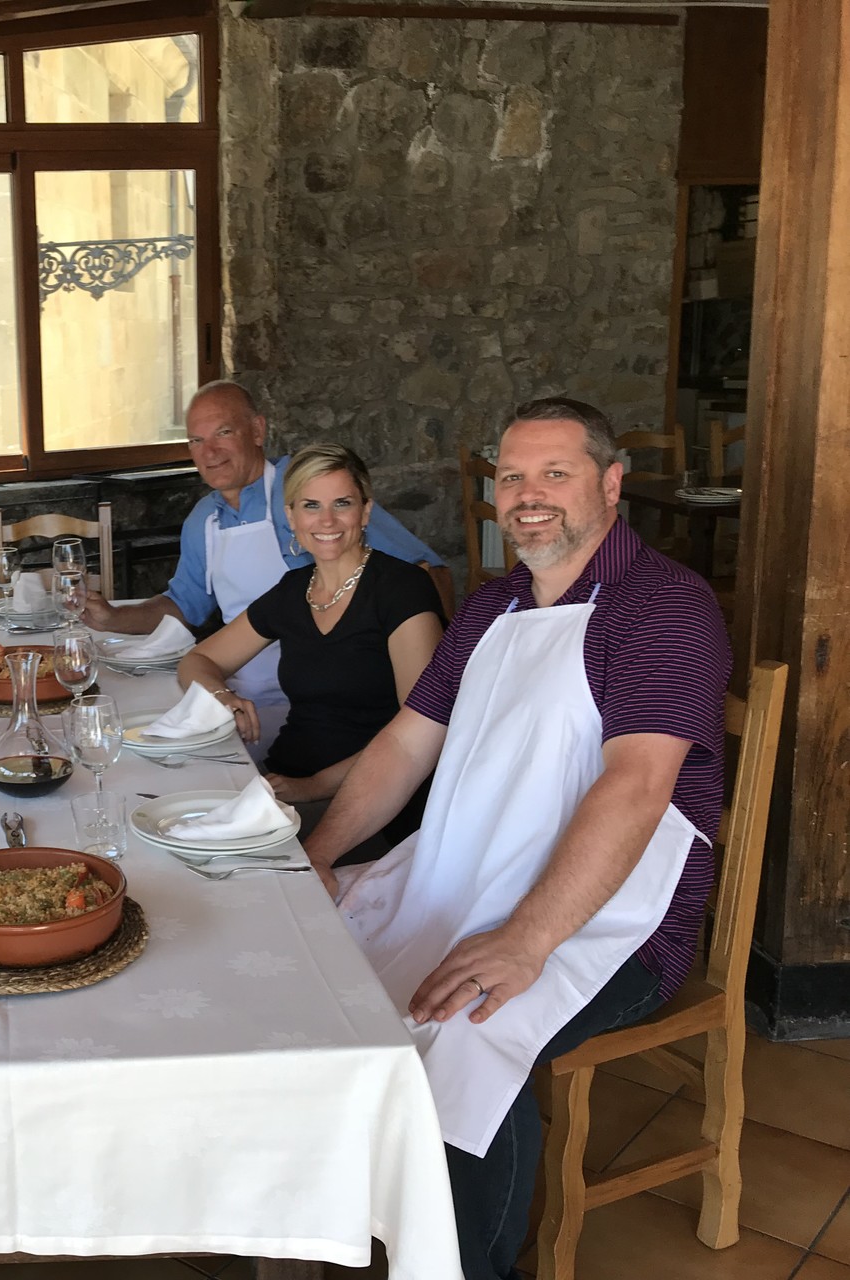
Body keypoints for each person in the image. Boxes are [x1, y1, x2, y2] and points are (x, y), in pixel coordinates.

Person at [301, 399, 732, 1280]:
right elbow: (406, 742)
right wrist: (315, 857)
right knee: (316, 966)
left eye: (554, 474)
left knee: (468, 1028)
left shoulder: (662, 607)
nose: (527, 496)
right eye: (510, 477)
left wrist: (526, 941)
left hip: (616, 923)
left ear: (610, 484)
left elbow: (637, 786)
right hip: (465, 872)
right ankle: (346, 1219)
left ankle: (461, 1267)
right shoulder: (493, 603)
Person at [82, 380, 443, 755]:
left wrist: (436, 673)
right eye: (196, 440)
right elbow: (185, 606)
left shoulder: (309, 488)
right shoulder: (206, 520)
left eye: (223, 432)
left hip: (323, 705)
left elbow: (426, 576)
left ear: (257, 430)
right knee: (143, 746)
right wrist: (113, 618)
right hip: (242, 695)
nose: (210, 452)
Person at [177, 443, 445, 849]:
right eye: (310, 505)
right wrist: (223, 695)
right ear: (291, 517)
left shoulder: (402, 590)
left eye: (342, 503)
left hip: (371, 800)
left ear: (366, 511)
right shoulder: (293, 591)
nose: (327, 521)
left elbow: (421, 730)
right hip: (287, 782)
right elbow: (198, 659)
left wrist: (313, 787)